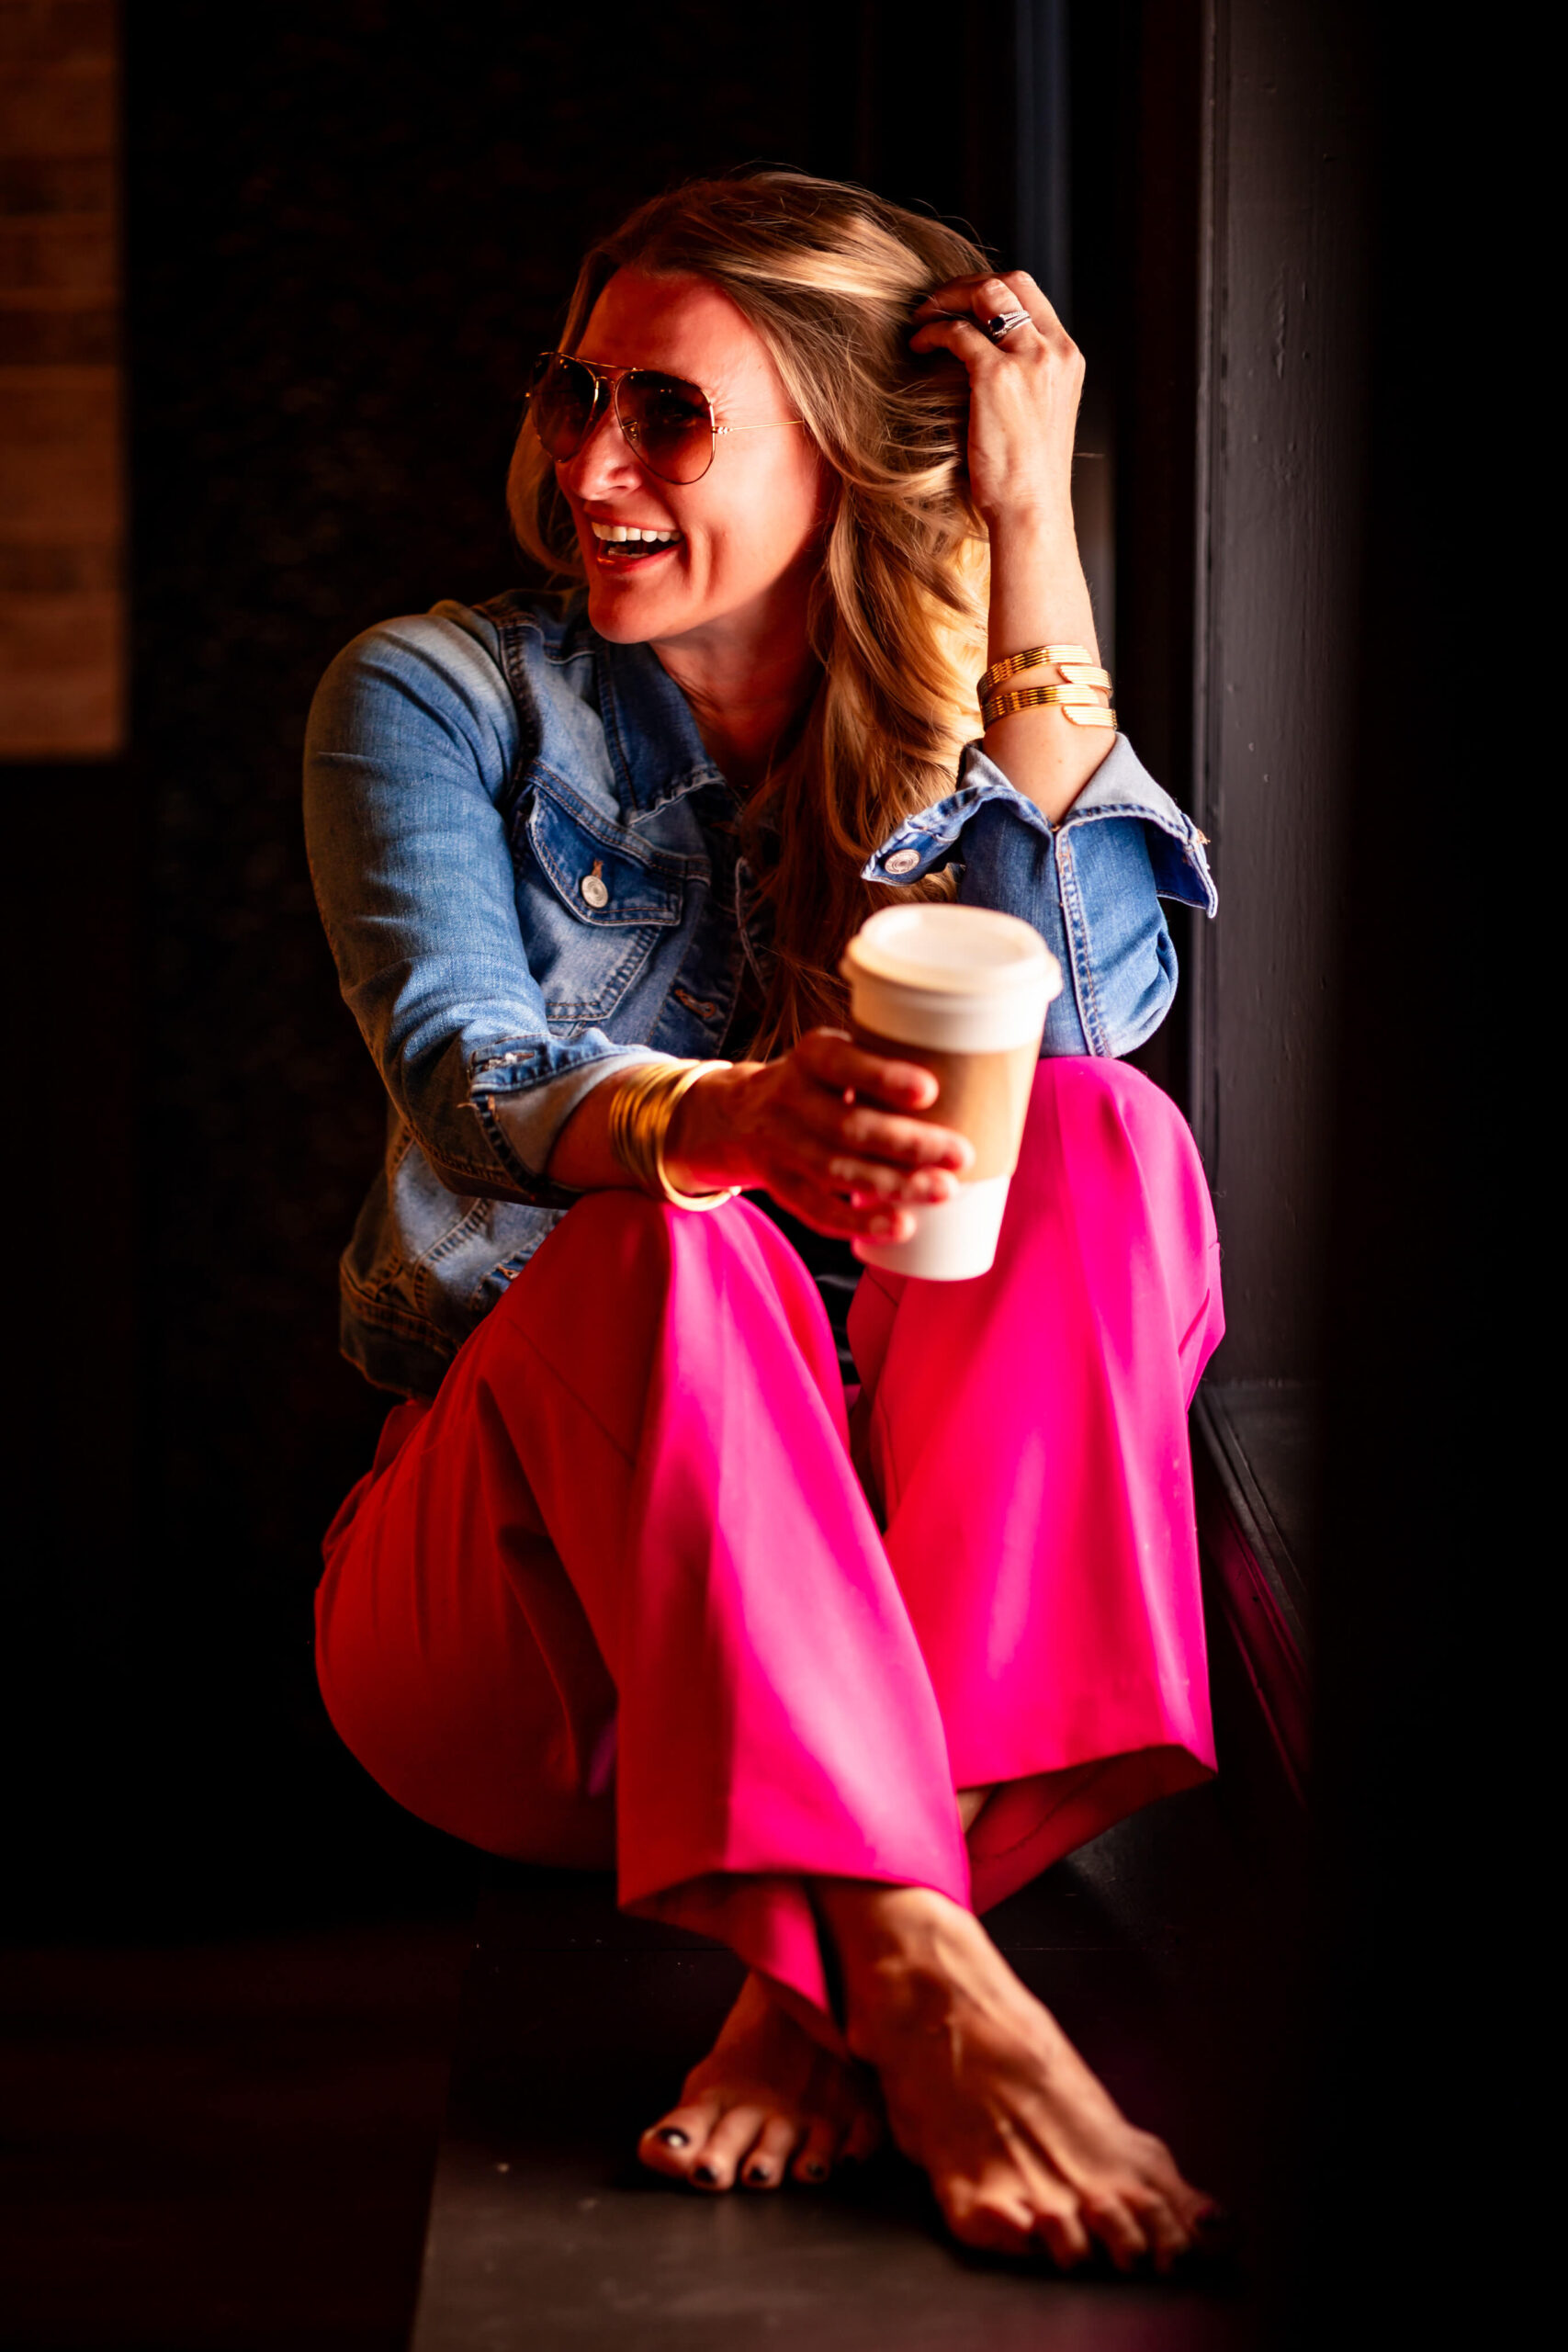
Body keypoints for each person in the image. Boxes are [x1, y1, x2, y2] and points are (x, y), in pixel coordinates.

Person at [304, 170, 1224, 2267]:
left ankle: (837, 1978)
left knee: (1094, 1137)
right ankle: (939, 1982)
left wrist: (1021, 537)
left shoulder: (928, 716)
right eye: (574, 397)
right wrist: (723, 1115)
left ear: (836, 442)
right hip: (535, 1630)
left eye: (668, 415)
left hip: (908, 1645)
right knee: (668, 1227)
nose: (589, 464)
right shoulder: (436, 694)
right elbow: (467, 1068)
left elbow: (1083, 1020)